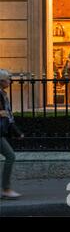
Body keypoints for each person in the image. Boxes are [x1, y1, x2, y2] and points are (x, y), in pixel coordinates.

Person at [0, 69, 24, 199]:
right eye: (8, 79)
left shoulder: (3, 94)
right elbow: (6, 115)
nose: (10, 81)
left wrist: (16, 131)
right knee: (10, 156)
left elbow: (8, 116)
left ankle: (5, 188)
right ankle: (6, 189)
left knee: (10, 156)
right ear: (1, 81)